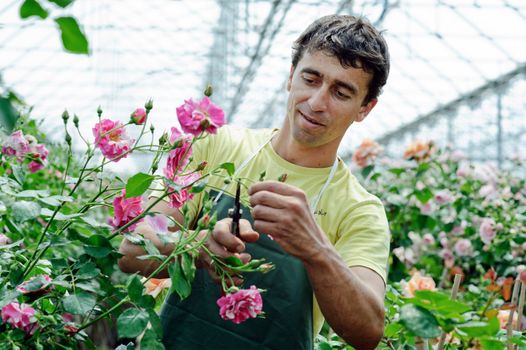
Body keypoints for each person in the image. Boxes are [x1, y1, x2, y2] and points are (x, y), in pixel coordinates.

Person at [119, 14, 390, 350]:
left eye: (341, 92)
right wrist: (195, 245)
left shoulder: (359, 210)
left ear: (365, 108)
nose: (318, 102)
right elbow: (131, 248)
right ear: (291, 77)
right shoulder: (217, 146)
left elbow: (367, 332)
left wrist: (316, 249)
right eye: (311, 78)